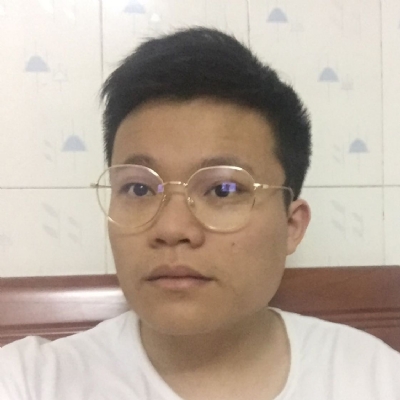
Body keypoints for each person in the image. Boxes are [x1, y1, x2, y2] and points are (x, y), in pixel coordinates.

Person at [1, 27, 399, 400]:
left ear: (291, 226)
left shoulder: (374, 378)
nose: (172, 228)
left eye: (223, 189)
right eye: (138, 188)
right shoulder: (32, 381)